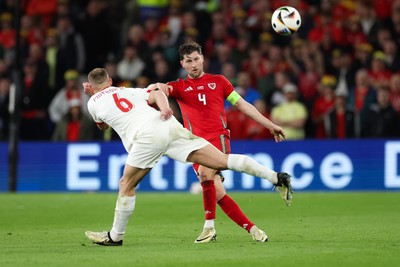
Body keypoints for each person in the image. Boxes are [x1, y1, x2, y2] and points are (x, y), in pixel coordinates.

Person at [83, 68, 293, 246]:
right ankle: (276, 178)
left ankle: (115, 236)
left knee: (126, 184)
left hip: (146, 135)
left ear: (91, 87)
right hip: (168, 124)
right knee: (222, 161)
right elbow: (156, 93)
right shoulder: (127, 90)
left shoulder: (93, 103)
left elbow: (102, 126)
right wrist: (165, 109)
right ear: (111, 81)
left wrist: (91, 95)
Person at [153, 41, 290, 244]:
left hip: (217, 138)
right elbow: (156, 93)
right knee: (217, 193)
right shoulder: (178, 87)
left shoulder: (219, 81)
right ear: (182, 63)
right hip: (194, 143)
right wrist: (158, 88)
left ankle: (209, 228)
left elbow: (242, 105)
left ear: (203, 58)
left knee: (205, 173)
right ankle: (253, 229)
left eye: (196, 59)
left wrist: (269, 125)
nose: (194, 64)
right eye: (189, 61)